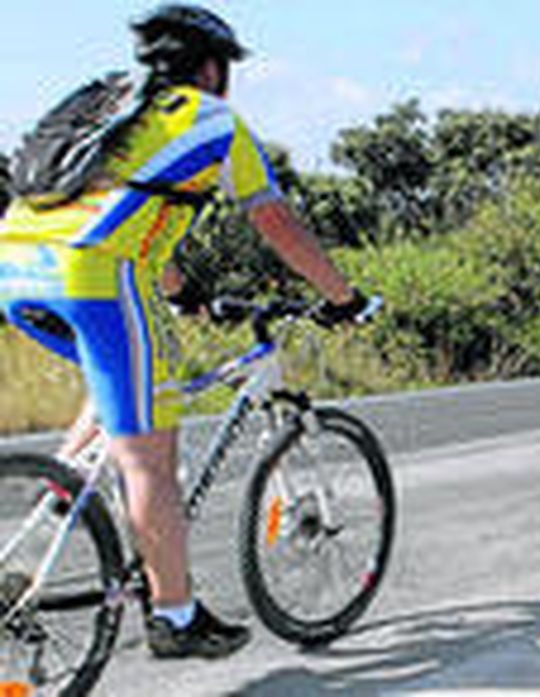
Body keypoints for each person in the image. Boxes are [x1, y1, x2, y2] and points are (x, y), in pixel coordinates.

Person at [0, 4, 373, 659]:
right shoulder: (212, 119)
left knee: (119, 395)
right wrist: (343, 298)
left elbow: (127, 213)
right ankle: (175, 615)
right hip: (94, 276)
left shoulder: (118, 110)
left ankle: (52, 517)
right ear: (211, 69)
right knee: (151, 459)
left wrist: (185, 293)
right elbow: (275, 221)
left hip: (15, 267)